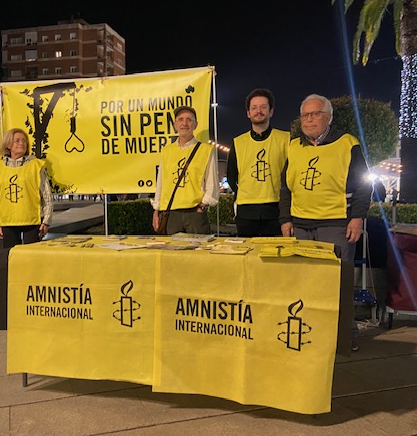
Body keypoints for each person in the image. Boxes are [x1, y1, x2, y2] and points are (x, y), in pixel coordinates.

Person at [279, 94, 372, 351]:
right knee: (305, 282)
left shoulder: (347, 143)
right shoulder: (294, 146)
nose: (308, 119)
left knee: (339, 281)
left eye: (315, 113)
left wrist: (358, 217)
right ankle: (312, 334)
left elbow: (365, 185)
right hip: (300, 225)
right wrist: (285, 219)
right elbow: (285, 187)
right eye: (305, 115)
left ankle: (345, 337)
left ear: (327, 117)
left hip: (336, 225)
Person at [226, 88, 290, 236]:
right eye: (254, 108)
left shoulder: (285, 139)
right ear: (248, 113)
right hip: (246, 211)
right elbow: (231, 176)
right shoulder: (238, 142)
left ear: (271, 111)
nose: (258, 111)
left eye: (263, 107)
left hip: (276, 209)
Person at [151, 105, 219, 234]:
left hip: (194, 213)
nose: (184, 123)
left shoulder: (205, 150)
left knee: (198, 252)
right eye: (180, 119)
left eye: (189, 119)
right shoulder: (167, 151)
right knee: (171, 252)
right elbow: (161, 182)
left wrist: (202, 205)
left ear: (195, 124)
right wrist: (157, 208)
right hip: (171, 213)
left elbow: (212, 183)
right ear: (175, 124)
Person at [0, 128, 53, 248]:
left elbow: (46, 195)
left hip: (32, 221)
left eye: (24, 141)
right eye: (17, 141)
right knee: (11, 258)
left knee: (32, 259)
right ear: (8, 144)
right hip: (7, 222)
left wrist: (46, 220)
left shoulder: (35, 166)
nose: (21, 143)